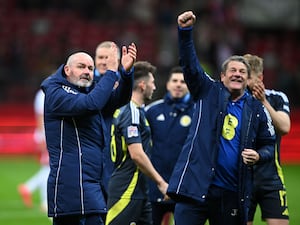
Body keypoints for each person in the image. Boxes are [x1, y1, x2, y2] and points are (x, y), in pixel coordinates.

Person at [166, 11, 276, 225]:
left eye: (242, 72)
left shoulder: (256, 109)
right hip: (195, 188)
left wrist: (259, 155)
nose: (237, 74)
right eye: (232, 70)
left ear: (247, 79)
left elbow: (269, 145)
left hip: (231, 192)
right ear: (222, 76)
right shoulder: (207, 91)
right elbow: (190, 64)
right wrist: (185, 32)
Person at [41, 44, 136, 225]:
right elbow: (90, 104)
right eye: (81, 67)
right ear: (67, 70)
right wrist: (111, 72)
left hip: (90, 180)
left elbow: (119, 99)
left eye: (91, 68)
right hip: (72, 181)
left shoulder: (88, 92)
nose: (87, 71)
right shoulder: (56, 91)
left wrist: (126, 73)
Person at [105, 61, 169, 225]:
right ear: (142, 85)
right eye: (152, 83)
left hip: (139, 190)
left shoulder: (135, 111)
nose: (154, 87)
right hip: (126, 190)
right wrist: (160, 182)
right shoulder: (131, 111)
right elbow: (136, 154)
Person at [144, 66, 195, 225]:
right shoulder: (152, 111)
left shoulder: (197, 112)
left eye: (183, 81)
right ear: (167, 84)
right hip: (155, 187)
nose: (178, 84)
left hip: (184, 187)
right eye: (175, 81)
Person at [244, 54, 290, 225]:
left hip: (270, 177)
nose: (244, 80)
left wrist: (263, 101)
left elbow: (284, 127)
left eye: (248, 76)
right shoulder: (234, 101)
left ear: (260, 77)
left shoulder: (277, 97)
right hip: (241, 178)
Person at [94, 41, 136, 197]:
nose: (104, 61)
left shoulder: (123, 81)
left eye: (108, 57)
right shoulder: (86, 81)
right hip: (91, 150)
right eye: (100, 57)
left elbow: (122, 98)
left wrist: (126, 73)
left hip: (115, 148)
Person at [18, 88, 50, 212]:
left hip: (46, 133)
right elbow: (40, 116)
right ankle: (43, 200)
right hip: (46, 134)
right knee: (49, 167)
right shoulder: (44, 94)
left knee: (48, 167)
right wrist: (42, 136)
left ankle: (28, 188)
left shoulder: (42, 93)